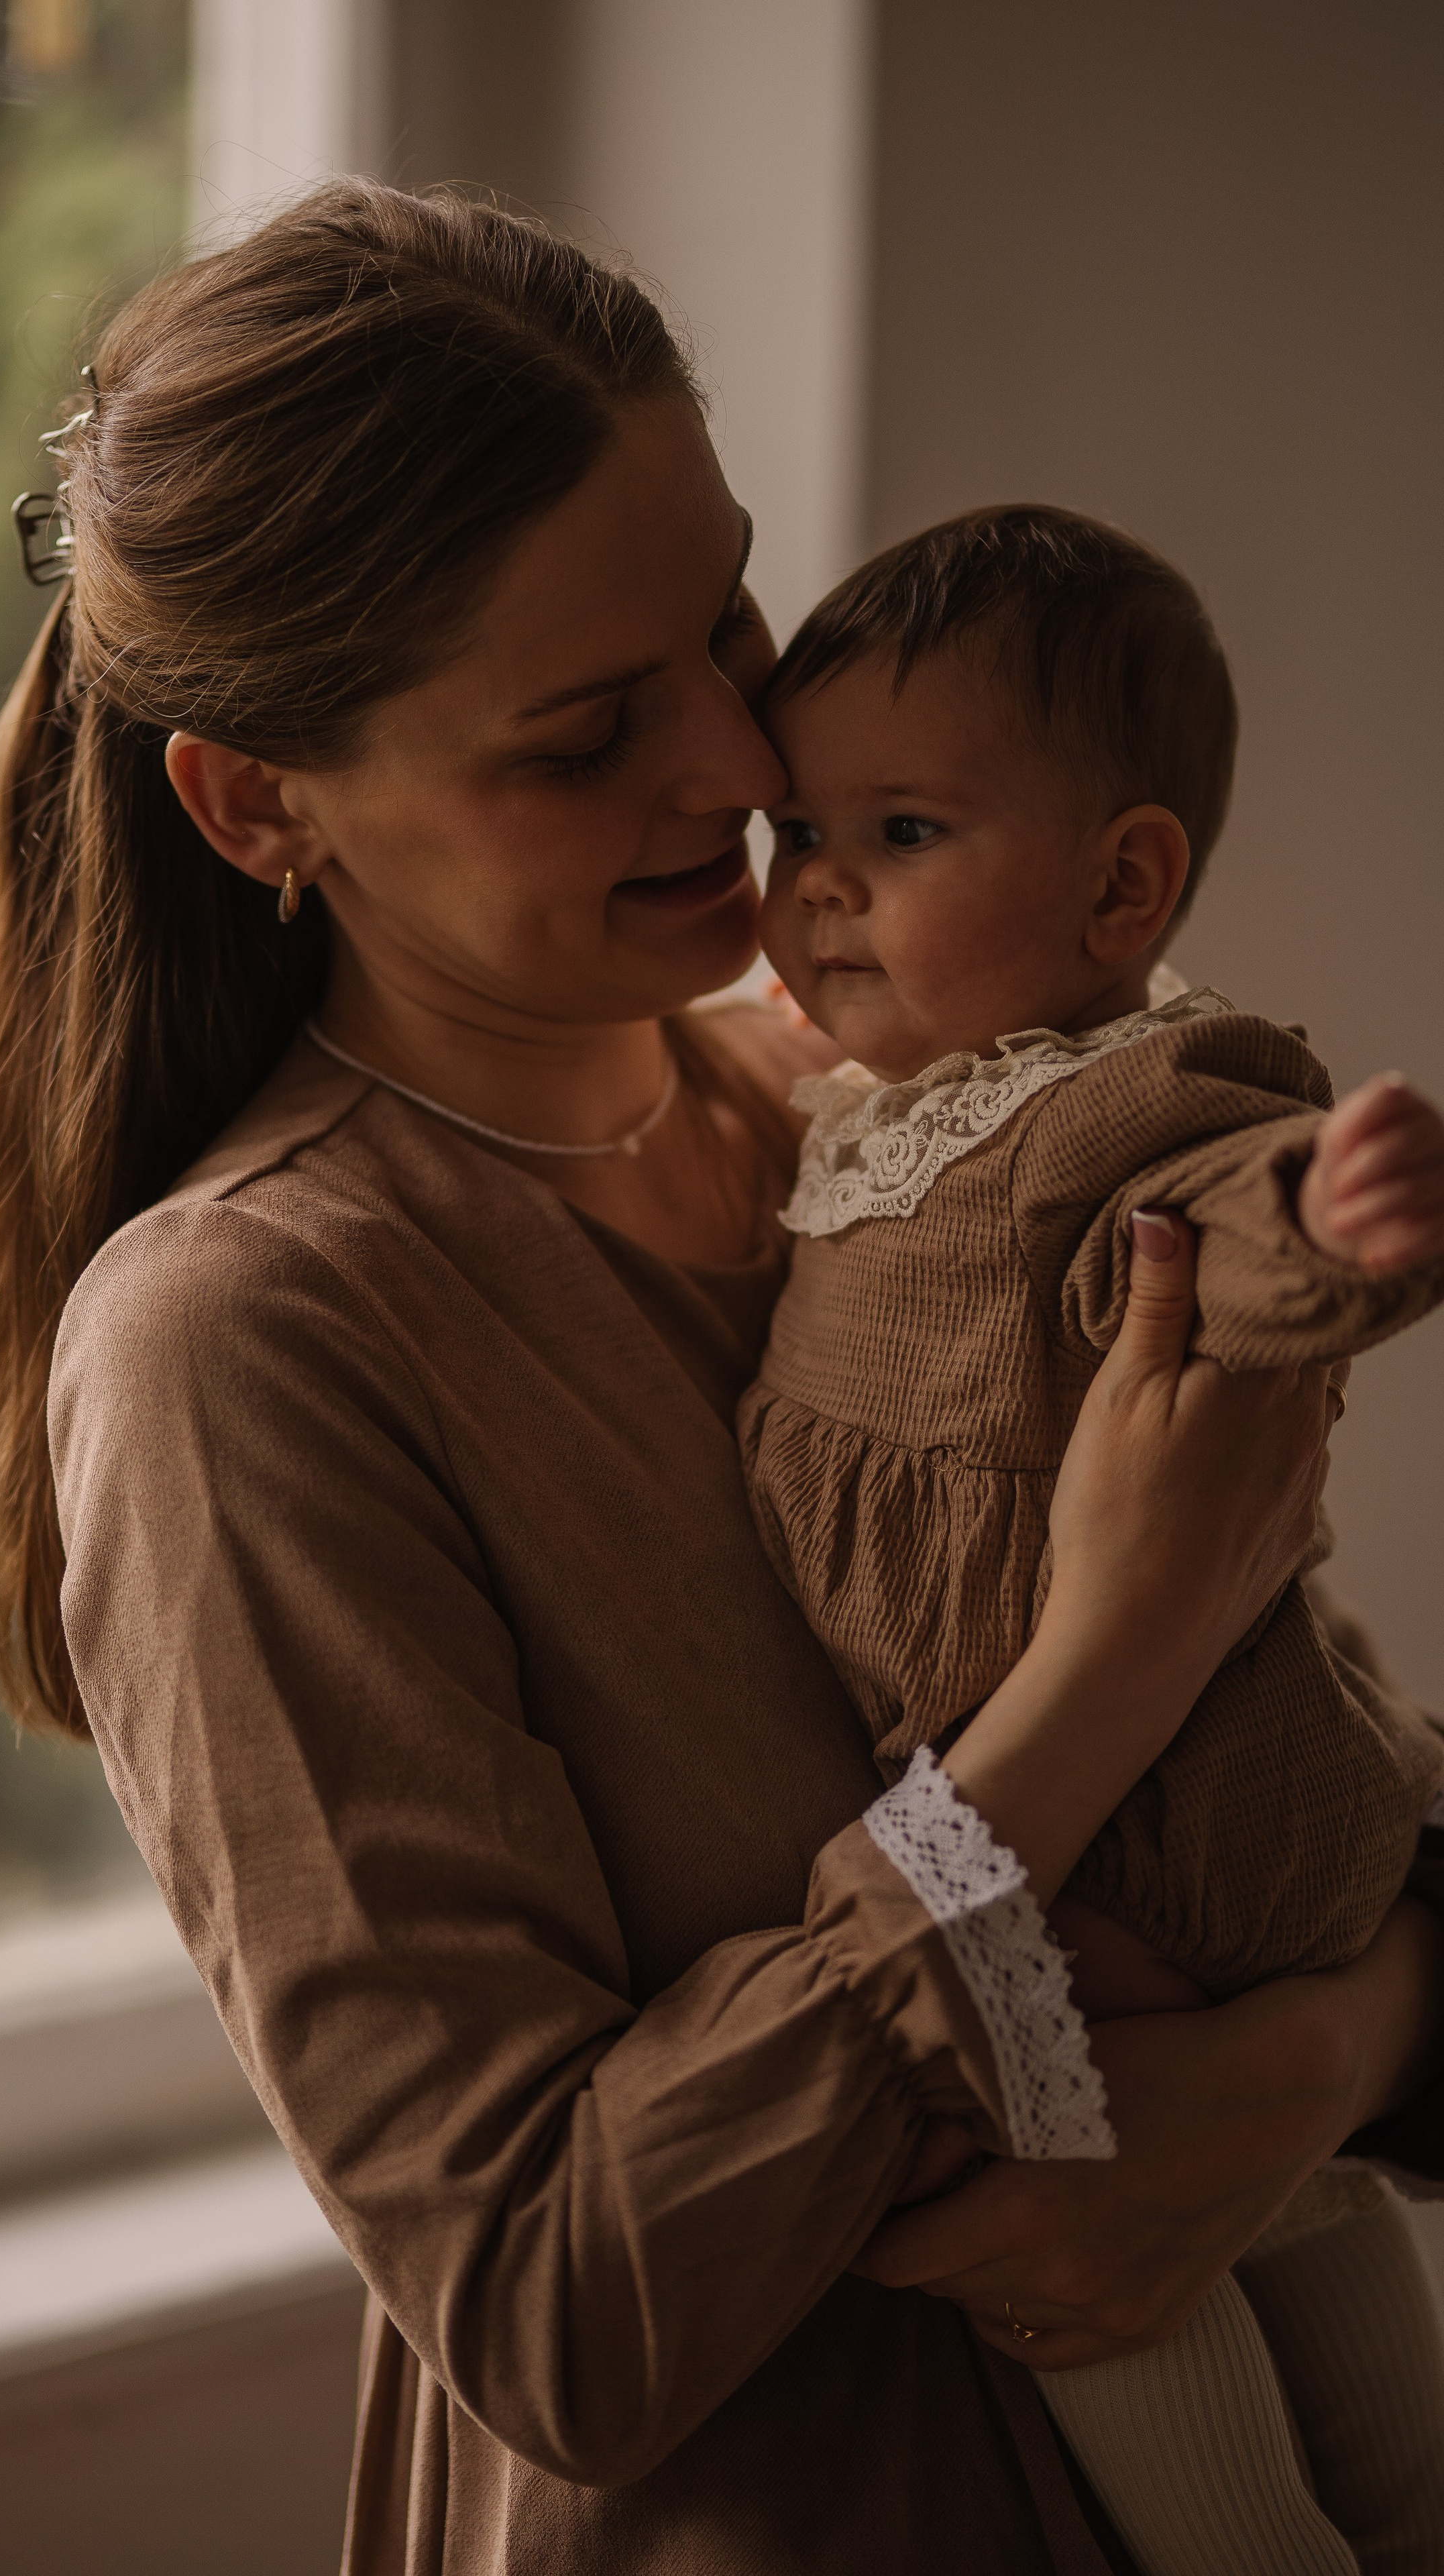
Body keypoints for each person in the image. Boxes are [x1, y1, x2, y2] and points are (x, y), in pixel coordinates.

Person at [0, 184, 1444, 2576]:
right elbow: (554, 2308)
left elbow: (1322, 1762)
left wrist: (1325, 2064)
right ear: (258, 803)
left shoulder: (883, 1132)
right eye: (592, 728)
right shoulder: (245, 1345)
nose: (742, 750)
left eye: (726, 614)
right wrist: (1102, 1671)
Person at [744, 504, 1444, 2571]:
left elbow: (1220, 1221)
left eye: (906, 834)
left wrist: (1330, 1220)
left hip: (1149, 1865)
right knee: (1350, 2360)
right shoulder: (859, 1115)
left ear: (1123, 882)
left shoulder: (1126, 1093)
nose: (821, 894)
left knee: (1201, 2447)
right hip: (1106, 1861)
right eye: (800, 837)